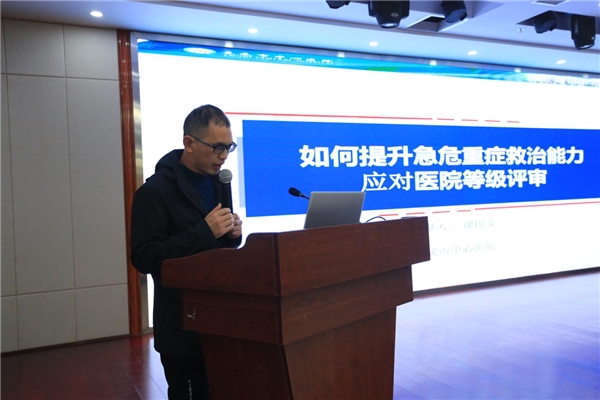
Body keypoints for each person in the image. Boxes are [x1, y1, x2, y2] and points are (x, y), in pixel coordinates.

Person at [130, 104, 243, 400]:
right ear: (189, 143)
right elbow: (144, 257)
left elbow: (215, 248)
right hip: (181, 324)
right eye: (217, 147)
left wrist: (232, 235)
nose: (223, 156)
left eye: (228, 147)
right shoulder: (153, 193)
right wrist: (205, 231)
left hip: (220, 319)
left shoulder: (218, 183)